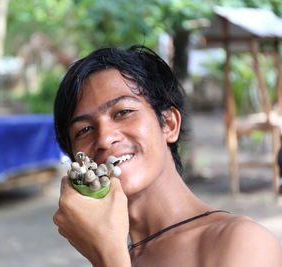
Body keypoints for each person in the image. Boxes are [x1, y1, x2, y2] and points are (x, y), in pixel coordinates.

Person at [52, 45, 282, 267]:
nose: (104, 139)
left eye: (123, 112)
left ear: (169, 124)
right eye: (84, 130)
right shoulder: (122, 255)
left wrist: (107, 255)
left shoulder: (241, 242)